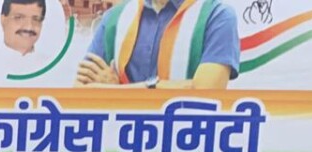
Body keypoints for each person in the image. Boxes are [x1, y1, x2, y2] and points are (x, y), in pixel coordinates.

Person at [75, 0, 240, 89]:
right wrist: (157, 88)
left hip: (185, 137)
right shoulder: (115, 17)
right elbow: (80, 92)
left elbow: (206, 94)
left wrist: (115, 91)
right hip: (120, 137)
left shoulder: (217, 16)